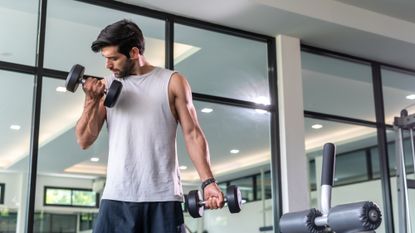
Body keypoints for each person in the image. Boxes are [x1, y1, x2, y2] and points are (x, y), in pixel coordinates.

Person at [75, 19, 224, 233]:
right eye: (105, 59)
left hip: (162, 198)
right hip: (117, 198)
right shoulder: (106, 87)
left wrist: (208, 182)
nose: (107, 65)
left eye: (113, 58)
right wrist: (91, 100)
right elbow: (83, 141)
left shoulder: (172, 81)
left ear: (134, 52)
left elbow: (192, 134)